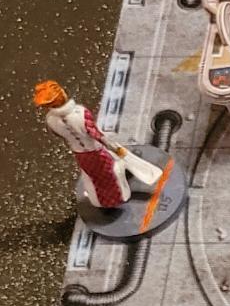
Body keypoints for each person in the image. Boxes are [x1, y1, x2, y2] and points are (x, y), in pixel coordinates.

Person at [32, 80, 162, 213]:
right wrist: (116, 148)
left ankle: (101, 201)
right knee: (112, 173)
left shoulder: (50, 120)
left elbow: (60, 136)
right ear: (62, 94)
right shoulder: (80, 113)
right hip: (96, 152)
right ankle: (119, 198)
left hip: (81, 155)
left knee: (94, 178)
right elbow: (96, 135)